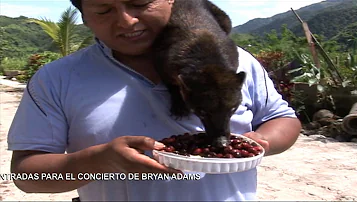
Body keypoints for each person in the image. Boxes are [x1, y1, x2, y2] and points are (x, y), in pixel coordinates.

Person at [7, 0, 302, 201]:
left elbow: (282, 118)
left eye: (140, 3)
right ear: (84, 16)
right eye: (103, 9)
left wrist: (263, 141)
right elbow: (27, 175)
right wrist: (98, 161)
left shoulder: (233, 64)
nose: (127, 20)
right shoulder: (58, 78)